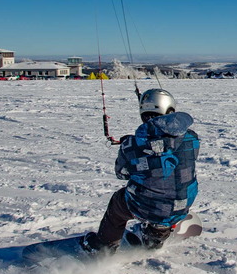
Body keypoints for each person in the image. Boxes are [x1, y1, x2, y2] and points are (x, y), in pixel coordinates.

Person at [80, 88, 200, 256]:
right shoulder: (192, 138)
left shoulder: (131, 145)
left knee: (119, 202)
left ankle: (103, 248)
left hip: (147, 206)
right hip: (183, 204)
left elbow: (122, 173)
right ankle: (155, 235)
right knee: (168, 192)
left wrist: (134, 148)